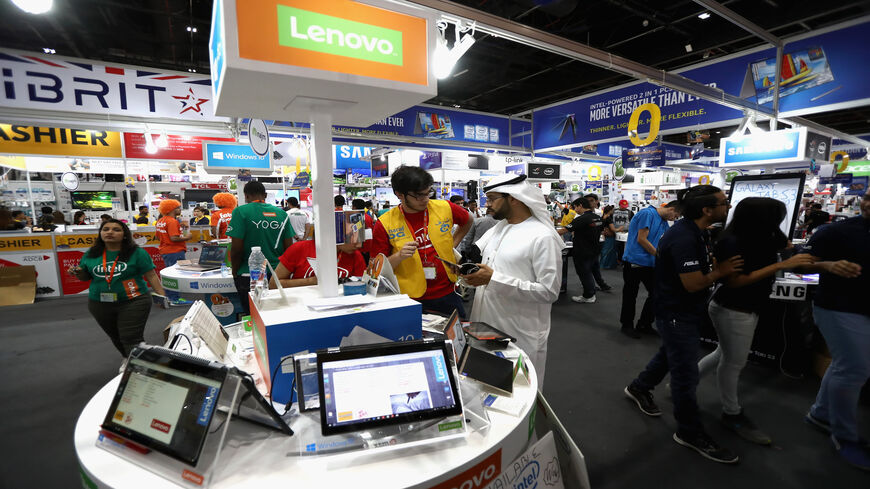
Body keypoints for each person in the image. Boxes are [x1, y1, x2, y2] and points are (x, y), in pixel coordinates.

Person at [624, 185, 744, 465]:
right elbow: (692, 283)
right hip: (676, 311)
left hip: (683, 311)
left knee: (670, 353)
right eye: (724, 203)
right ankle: (689, 431)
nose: (727, 207)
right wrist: (720, 271)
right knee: (685, 374)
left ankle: (640, 387)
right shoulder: (684, 237)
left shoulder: (695, 232)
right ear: (707, 209)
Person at [698, 197, 816, 446]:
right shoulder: (731, 242)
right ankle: (732, 413)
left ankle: (682, 382)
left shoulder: (767, 235)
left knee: (723, 354)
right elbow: (735, 282)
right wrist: (782, 264)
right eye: (777, 217)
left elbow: (789, 252)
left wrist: (823, 264)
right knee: (733, 363)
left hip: (747, 307)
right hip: (733, 308)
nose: (780, 222)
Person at [462, 174, 564, 388]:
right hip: (485, 324)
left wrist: (493, 280)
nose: (487, 205)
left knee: (519, 395)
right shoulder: (499, 229)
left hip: (518, 332)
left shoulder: (542, 236)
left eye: (491, 199)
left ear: (514, 198)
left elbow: (549, 291)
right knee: (487, 391)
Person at [801, 187, 870, 470]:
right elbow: (801, 262)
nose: (869, 204)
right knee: (855, 368)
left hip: (863, 308)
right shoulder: (837, 232)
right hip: (837, 307)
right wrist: (828, 266)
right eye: (868, 198)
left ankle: (821, 414)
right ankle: (844, 434)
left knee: (846, 364)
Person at [371, 166, 471, 317]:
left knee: (458, 337)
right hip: (409, 297)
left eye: (428, 193)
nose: (425, 199)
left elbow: (468, 220)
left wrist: (452, 244)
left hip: (446, 293)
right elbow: (375, 269)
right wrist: (399, 256)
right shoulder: (385, 223)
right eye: (419, 195)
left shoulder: (444, 207)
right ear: (400, 195)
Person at [66, 219, 166, 358]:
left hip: (134, 301)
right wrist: (77, 272)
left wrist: (162, 296)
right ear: (100, 233)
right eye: (105, 229)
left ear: (125, 234)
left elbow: (151, 276)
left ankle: (139, 367)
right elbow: (85, 277)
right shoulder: (91, 254)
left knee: (131, 338)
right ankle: (128, 360)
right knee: (116, 337)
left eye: (116, 230)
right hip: (99, 303)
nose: (110, 232)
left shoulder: (137, 253)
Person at [227, 181, 295, 315]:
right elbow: (289, 248)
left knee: (254, 317)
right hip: (278, 273)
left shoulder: (240, 212)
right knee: (278, 314)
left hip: (249, 274)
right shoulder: (282, 214)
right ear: (265, 195)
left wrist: (235, 271)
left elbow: (236, 249)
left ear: (246, 196)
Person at [619, 201, 679, 338]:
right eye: (676, 215)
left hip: (650, 264)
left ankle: (644, 323)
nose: (674, 219)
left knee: (657, 293)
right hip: (634, 262)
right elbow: (642, 239)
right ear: (671, 208)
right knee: (630, 295)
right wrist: (660, 256)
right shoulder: (647, 213)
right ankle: (627, 325)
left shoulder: (663, 222)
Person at [558, 197, 610, 304]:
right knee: (591, 271)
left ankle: (589, 295)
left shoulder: (581, 219)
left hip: (582, 250)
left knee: (584, 273)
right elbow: (600, 231)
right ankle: (593, 290)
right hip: (594, 249)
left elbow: (564, 230)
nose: (575, 209)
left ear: (580, 206)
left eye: (575, 207)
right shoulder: (597, 218)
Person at [270, 233, 366, 288]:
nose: (359, 245)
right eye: (352, 239)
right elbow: (273, 284)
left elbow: (362, 286)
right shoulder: (299, 249)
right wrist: (310, 281)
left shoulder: (355, 255)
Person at [155, 200, 191, 302]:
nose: (180, 209)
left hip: (166, 251)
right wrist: (187, 237)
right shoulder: (172, 221)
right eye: (178, 207)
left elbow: (158, 237)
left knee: (170, 274)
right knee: (174, 275)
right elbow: (174, 238)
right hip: (175, 251)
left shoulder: (161, 221)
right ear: (172, 209)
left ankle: (170, 296)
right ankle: (174, 299)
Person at [352, 198, 375, 264]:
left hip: (361, 248)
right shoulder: (368, 216)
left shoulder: (358, 217)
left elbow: (354, 230)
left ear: (354, 207)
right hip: (369, 246)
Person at [600, 205, 618, 269]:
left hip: (604, 235)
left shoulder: (602, 217)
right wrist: (620, 229)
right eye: (612, 210)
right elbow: (613, 229)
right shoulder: (609, 218)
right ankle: (607, 265)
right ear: (610, 211)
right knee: (609, 250)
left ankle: (603, 264)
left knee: (604, 250)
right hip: (610, 236)